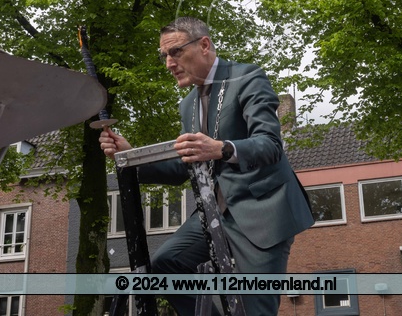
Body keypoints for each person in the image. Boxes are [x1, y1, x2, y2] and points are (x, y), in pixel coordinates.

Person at [99, 16, 313, 315]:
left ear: (204, 45)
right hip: (213, 212)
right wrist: (131, 156)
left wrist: (222, 149)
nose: (169, 64)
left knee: (255, 309)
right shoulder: (187, 104)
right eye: (164, 56)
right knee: (166, 266)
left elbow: (270, 145)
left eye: (175, 52)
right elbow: (184, 166)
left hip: (262, 210)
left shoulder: (247, 77)